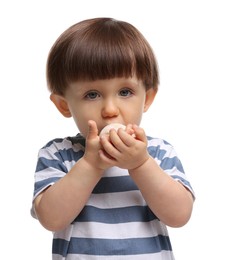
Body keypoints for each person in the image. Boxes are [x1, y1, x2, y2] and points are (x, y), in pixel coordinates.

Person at [31, 17, 195, 260]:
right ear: (64, 105)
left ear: (147, 98)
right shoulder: (59, 153)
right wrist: (90, 164)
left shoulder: (158, 152)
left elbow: (179, 215)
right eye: (92, 94)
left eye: (125, 92)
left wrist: (141, 164)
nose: (110, 109)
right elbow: (52, 219)